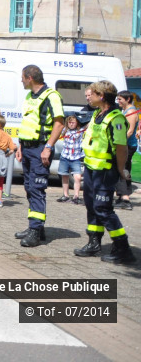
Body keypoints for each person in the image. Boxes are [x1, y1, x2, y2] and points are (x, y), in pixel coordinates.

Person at [74, 80, 137, 264]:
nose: (88, 97)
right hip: (92, 169)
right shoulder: (97, 114)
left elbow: (121, 148)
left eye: (91, 93)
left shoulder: (116, 118)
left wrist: (120, 170)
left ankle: (123, 248)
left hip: (106, 171)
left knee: (103, 209)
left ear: (101, 96)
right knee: (92, 207)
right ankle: (94, 243)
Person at [13, 64, 65, 248]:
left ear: (30, 78)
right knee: (28, 187)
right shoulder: (30, 96)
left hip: (40, 149)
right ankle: (35, 227)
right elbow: (28, 122)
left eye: (22, 77)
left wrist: (48, 147)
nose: (21, 80)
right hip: (27, 148)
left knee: (36, 188)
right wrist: (20, 146)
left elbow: (59, 123)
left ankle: (35, 231)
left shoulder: (51, 96)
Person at [57, 112, 87, 205]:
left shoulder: (80, 131)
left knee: (77, 177)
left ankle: (76, 196)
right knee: (64, 175)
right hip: (65, 156)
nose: (71, 124)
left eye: (73, 122)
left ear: (77, 123)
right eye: (69, 122)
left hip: (76, 157)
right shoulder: (64, 131)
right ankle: (65, 195)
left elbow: (88, 126)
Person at [115, 91, 138, 209]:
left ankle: (125, 199)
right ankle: (122, 196)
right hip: (126, 145)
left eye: (120, 99)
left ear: (127, 99)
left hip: (127, 146)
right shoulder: (125, 111)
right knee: (125, 169)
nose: (118, 101)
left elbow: (129, 131)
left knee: (121, 170)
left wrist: (119, 143)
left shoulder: (131, 112)